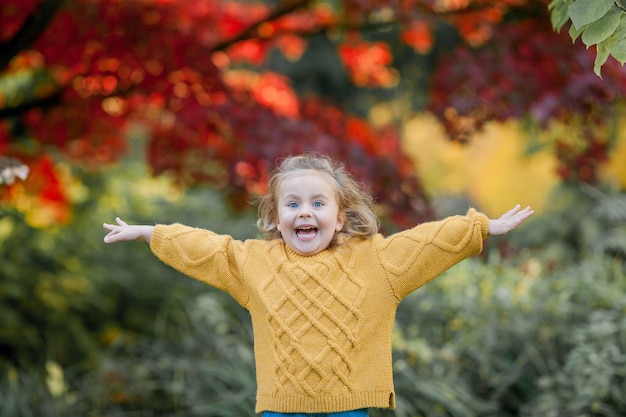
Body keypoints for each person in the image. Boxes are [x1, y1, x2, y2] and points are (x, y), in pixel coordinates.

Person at [103, 153, 533, 417]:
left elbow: (425, 242)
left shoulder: (375, 260)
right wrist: (150, 232)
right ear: (274, 218)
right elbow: (210, 248)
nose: (304, 212)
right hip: (281, 408)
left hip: (349, 407)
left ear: (340, 217)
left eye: (317, 203)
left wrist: (481, 227)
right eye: (292, 204)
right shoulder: (255, 263)